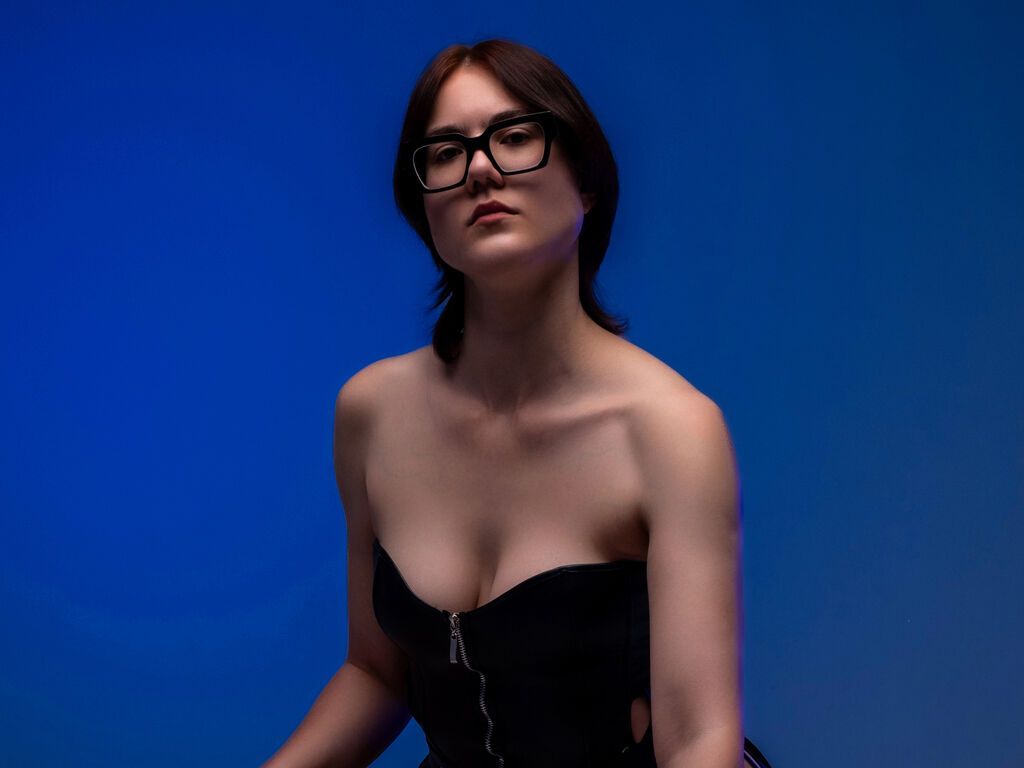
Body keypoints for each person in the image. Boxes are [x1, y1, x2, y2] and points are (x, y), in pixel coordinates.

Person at [262, 39, 767, 768]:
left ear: (585, 184)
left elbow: (698, 738)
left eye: (516, 136)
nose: (479, 168)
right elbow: (376, 672)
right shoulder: (371, 412)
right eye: (446, 151)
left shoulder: (672, 430)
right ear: (425, 207)